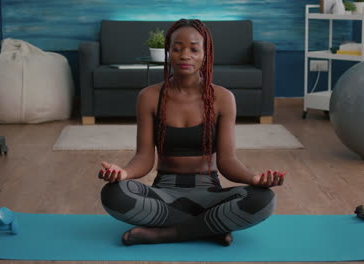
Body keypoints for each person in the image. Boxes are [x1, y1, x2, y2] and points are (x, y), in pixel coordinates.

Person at [98, 18, 285, 246]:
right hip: (164, 194)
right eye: (177, 49)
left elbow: (227, 161)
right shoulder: (148, 97)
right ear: (168, 52)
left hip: (209, 194)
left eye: (194, 49)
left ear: (206, 54)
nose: (185, 55)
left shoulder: (223, 98)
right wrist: (123, 173)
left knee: (263, 199)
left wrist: (253, 178)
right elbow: (144, 158)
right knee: (113, 194)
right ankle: (211, 227)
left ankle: (167, 233)